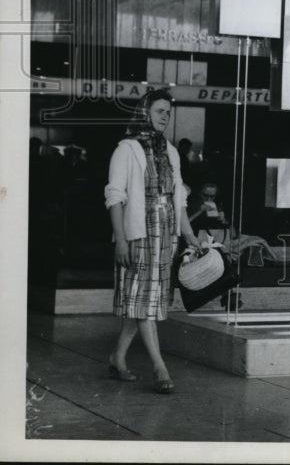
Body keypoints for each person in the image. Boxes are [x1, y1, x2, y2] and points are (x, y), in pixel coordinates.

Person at [104, 88, 200, 393]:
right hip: (138, 232)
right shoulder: (126, 149)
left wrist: (188, 233)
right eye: (159, 111)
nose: (164, 117)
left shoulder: (170, 151)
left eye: (168, 113)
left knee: (143, 299)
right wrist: (120, 240)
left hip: (165, 234)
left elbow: (179, 197)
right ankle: (160, 367)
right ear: (145, 112)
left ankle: (117, 357)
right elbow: (115, 198)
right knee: (144, 301)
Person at [187, 182, 277, 309]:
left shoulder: (218, 207)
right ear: (199, 194)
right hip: (198, 241)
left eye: (212, 197)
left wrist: (224, 221)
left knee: (226, 256)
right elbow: (184, 224)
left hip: (219, 240)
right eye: (205, 195)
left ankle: (230, 294)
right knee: (223, 259)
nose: (209, 199)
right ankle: (230, 293)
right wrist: (199, 211)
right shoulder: (192, 205)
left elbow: (233, 233)